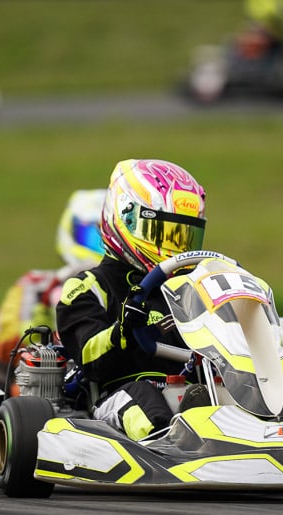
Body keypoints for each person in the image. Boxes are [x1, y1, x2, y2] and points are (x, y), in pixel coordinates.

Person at [56, 159, 208, 441]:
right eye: (163, 234)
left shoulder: (192, 288)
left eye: (184, 237)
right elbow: (89, 358)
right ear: (125, 218)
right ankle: (170, 444)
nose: (176, 249)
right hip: (115, 394)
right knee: (143, 399)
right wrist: (123, 330)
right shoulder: (88, 287)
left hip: (187, 387)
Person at [0, 189, 107, 382]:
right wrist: (44, 320)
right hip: (41, 385)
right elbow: (8, 344)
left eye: (106, 239)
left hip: (109, 374)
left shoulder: (140, 287)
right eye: (94, 239)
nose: (102, 248)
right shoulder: (38, 286)